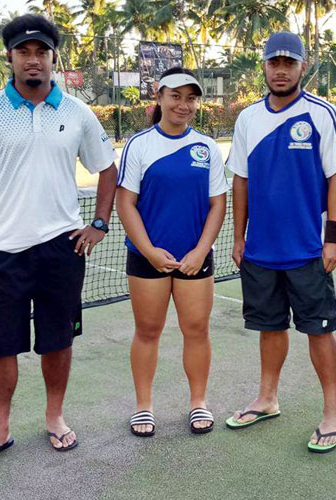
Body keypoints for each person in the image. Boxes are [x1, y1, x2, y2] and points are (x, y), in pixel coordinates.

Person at [0, 14, 118, 469]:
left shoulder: (77, 113)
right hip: (2, 251)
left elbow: (107, 168)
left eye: (42, 51)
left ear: (52, 57)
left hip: (61, 248)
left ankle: (55, 417)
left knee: (58, 341)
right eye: (24, 51)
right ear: (9, 57)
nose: (33, 60)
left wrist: (100, 223)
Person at [225, 32, 336, 453]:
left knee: (319, 331)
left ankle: (331, 413)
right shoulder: (247, 119)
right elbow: (239, 181)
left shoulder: (323, 113)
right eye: (274, 63)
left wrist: (334, 237)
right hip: (260, 248)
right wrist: (238, 236)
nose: (281, 70)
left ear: (302, 67)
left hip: (309, 247)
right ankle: (267, 398)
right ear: (263, 66)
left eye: (289, 63)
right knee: (270, 327)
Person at [116, 67, 228, 437]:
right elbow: (125, 204)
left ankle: (199, 402)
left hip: (195, 259)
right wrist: (148, 251)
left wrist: (200, 251)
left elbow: (217, 204)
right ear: (159, 97)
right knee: (147, 330)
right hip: (147, 259)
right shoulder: (139, 144)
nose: (184, 104)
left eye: (191, 97)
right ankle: (143, 406)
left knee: (196, 330)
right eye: (175, 96)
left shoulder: (208, 147)